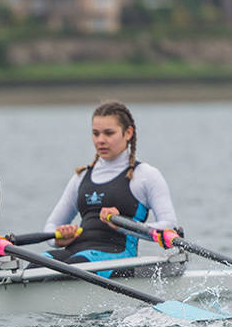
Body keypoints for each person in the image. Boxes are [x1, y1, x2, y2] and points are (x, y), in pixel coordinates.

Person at [42, 100, 179, 270]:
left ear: (128, 133)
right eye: (96, 133)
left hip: (118, 255)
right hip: (76, 252)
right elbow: (50, 229)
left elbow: (170, 226)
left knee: (75, 265)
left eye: (108, 133)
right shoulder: (81, 177)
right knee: (38, 263)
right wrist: (59, 238)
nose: (100, 140)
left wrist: (124, 224)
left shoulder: (145, 176)